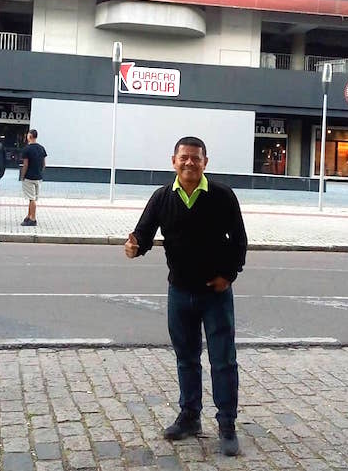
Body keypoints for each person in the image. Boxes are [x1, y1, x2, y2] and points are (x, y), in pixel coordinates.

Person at [124, 136, 247, 457]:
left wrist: (229, 274)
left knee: (223, 361)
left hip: (214, 293)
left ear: (205, 162)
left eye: (196, 158)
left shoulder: (221, 195)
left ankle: (227, 425)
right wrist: (135, 245)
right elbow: (145, 233)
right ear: (173, 161)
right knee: (187, 359)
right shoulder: (162, 197)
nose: (189, 163)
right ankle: (190, 416)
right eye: (184, 158)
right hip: (179, 291)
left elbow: (239, 239)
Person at [20, 128, 47, 226]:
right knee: (32, 198)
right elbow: (44, 164)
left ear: (30, 136)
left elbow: (25, 164)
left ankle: (33, 218)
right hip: (38, 177)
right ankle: (28, 215)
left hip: (29, 177)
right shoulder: (41, 148)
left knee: (31, 199)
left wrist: (22, 176)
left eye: (27, 135)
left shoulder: (27, 149)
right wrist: (40, 172)